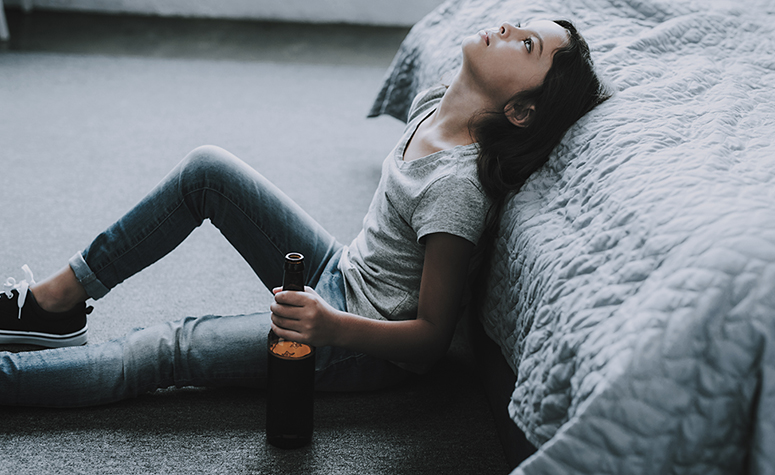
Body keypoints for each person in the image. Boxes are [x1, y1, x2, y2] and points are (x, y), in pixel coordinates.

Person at [0, 20, 608, 407]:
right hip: (341, 272)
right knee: (206, 170)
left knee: (167, 347)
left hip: (359, 343)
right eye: (520, 24)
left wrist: (330, 326)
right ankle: (55, 302)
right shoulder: (432, 106)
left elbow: (427, 343)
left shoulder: (456, 190)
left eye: (525, 44)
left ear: (522, 112)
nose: (506, 26)